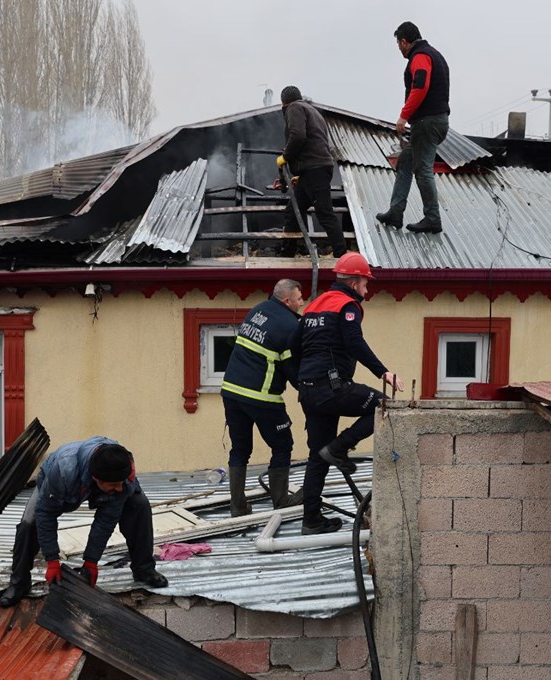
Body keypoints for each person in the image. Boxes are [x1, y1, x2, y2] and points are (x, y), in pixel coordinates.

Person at [293, 253, 404, 534]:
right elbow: (354, 342)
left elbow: (296, 347)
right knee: (381, 404)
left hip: (308, 390)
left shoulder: (312, 307)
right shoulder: (347, 305)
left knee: (317, 456)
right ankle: (340, 448)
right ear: (355, 282)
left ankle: (311, 520)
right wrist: (383, 372)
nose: (368, 289)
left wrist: (304, 380)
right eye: (366, 283)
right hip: (331, 386)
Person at [0, 437, 167, 608]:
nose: (119, 488)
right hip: (57, 482)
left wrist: (91, 561)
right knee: (29, 523)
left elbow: (106, 521)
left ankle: (143, 569)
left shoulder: (123, 471)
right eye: (114, 484)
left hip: (96, 477)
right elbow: (46, 514)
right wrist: (52, 560)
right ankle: (19, 583)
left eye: (121, 484)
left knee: (139, 504)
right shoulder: (62, 471)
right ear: (96, 478)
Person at [220, 279, 305, 516]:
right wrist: (311, 391)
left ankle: (237, 506)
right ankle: (281, 500)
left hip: (231, 391)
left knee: (240, 449)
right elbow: (291, 370)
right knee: (282, 445)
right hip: (262, 397)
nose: (302, 303)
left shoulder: (257, 310)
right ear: (287, 301)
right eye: (299, 299)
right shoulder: (289, 326)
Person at [376, 21, 450, 235]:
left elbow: (420, 86)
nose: (399, 48)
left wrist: (403, 116)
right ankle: (395, 212)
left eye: (399, 44)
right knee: (406, 162)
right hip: (435, 121)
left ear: (404, 41)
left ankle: (432, 218)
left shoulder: (420, 57)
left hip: (427, 122)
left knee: (423, 169)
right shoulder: (435, 54)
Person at [277, 86, 347, 259]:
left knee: (324, 212)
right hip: (313, 170)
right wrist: (298, 173)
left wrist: (286, 156)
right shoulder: (313, 111)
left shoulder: (294, 108)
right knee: (293, 210)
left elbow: (298, 136)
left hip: (314, 169)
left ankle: (341, 256)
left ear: (284, 102)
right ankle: (287, 253)